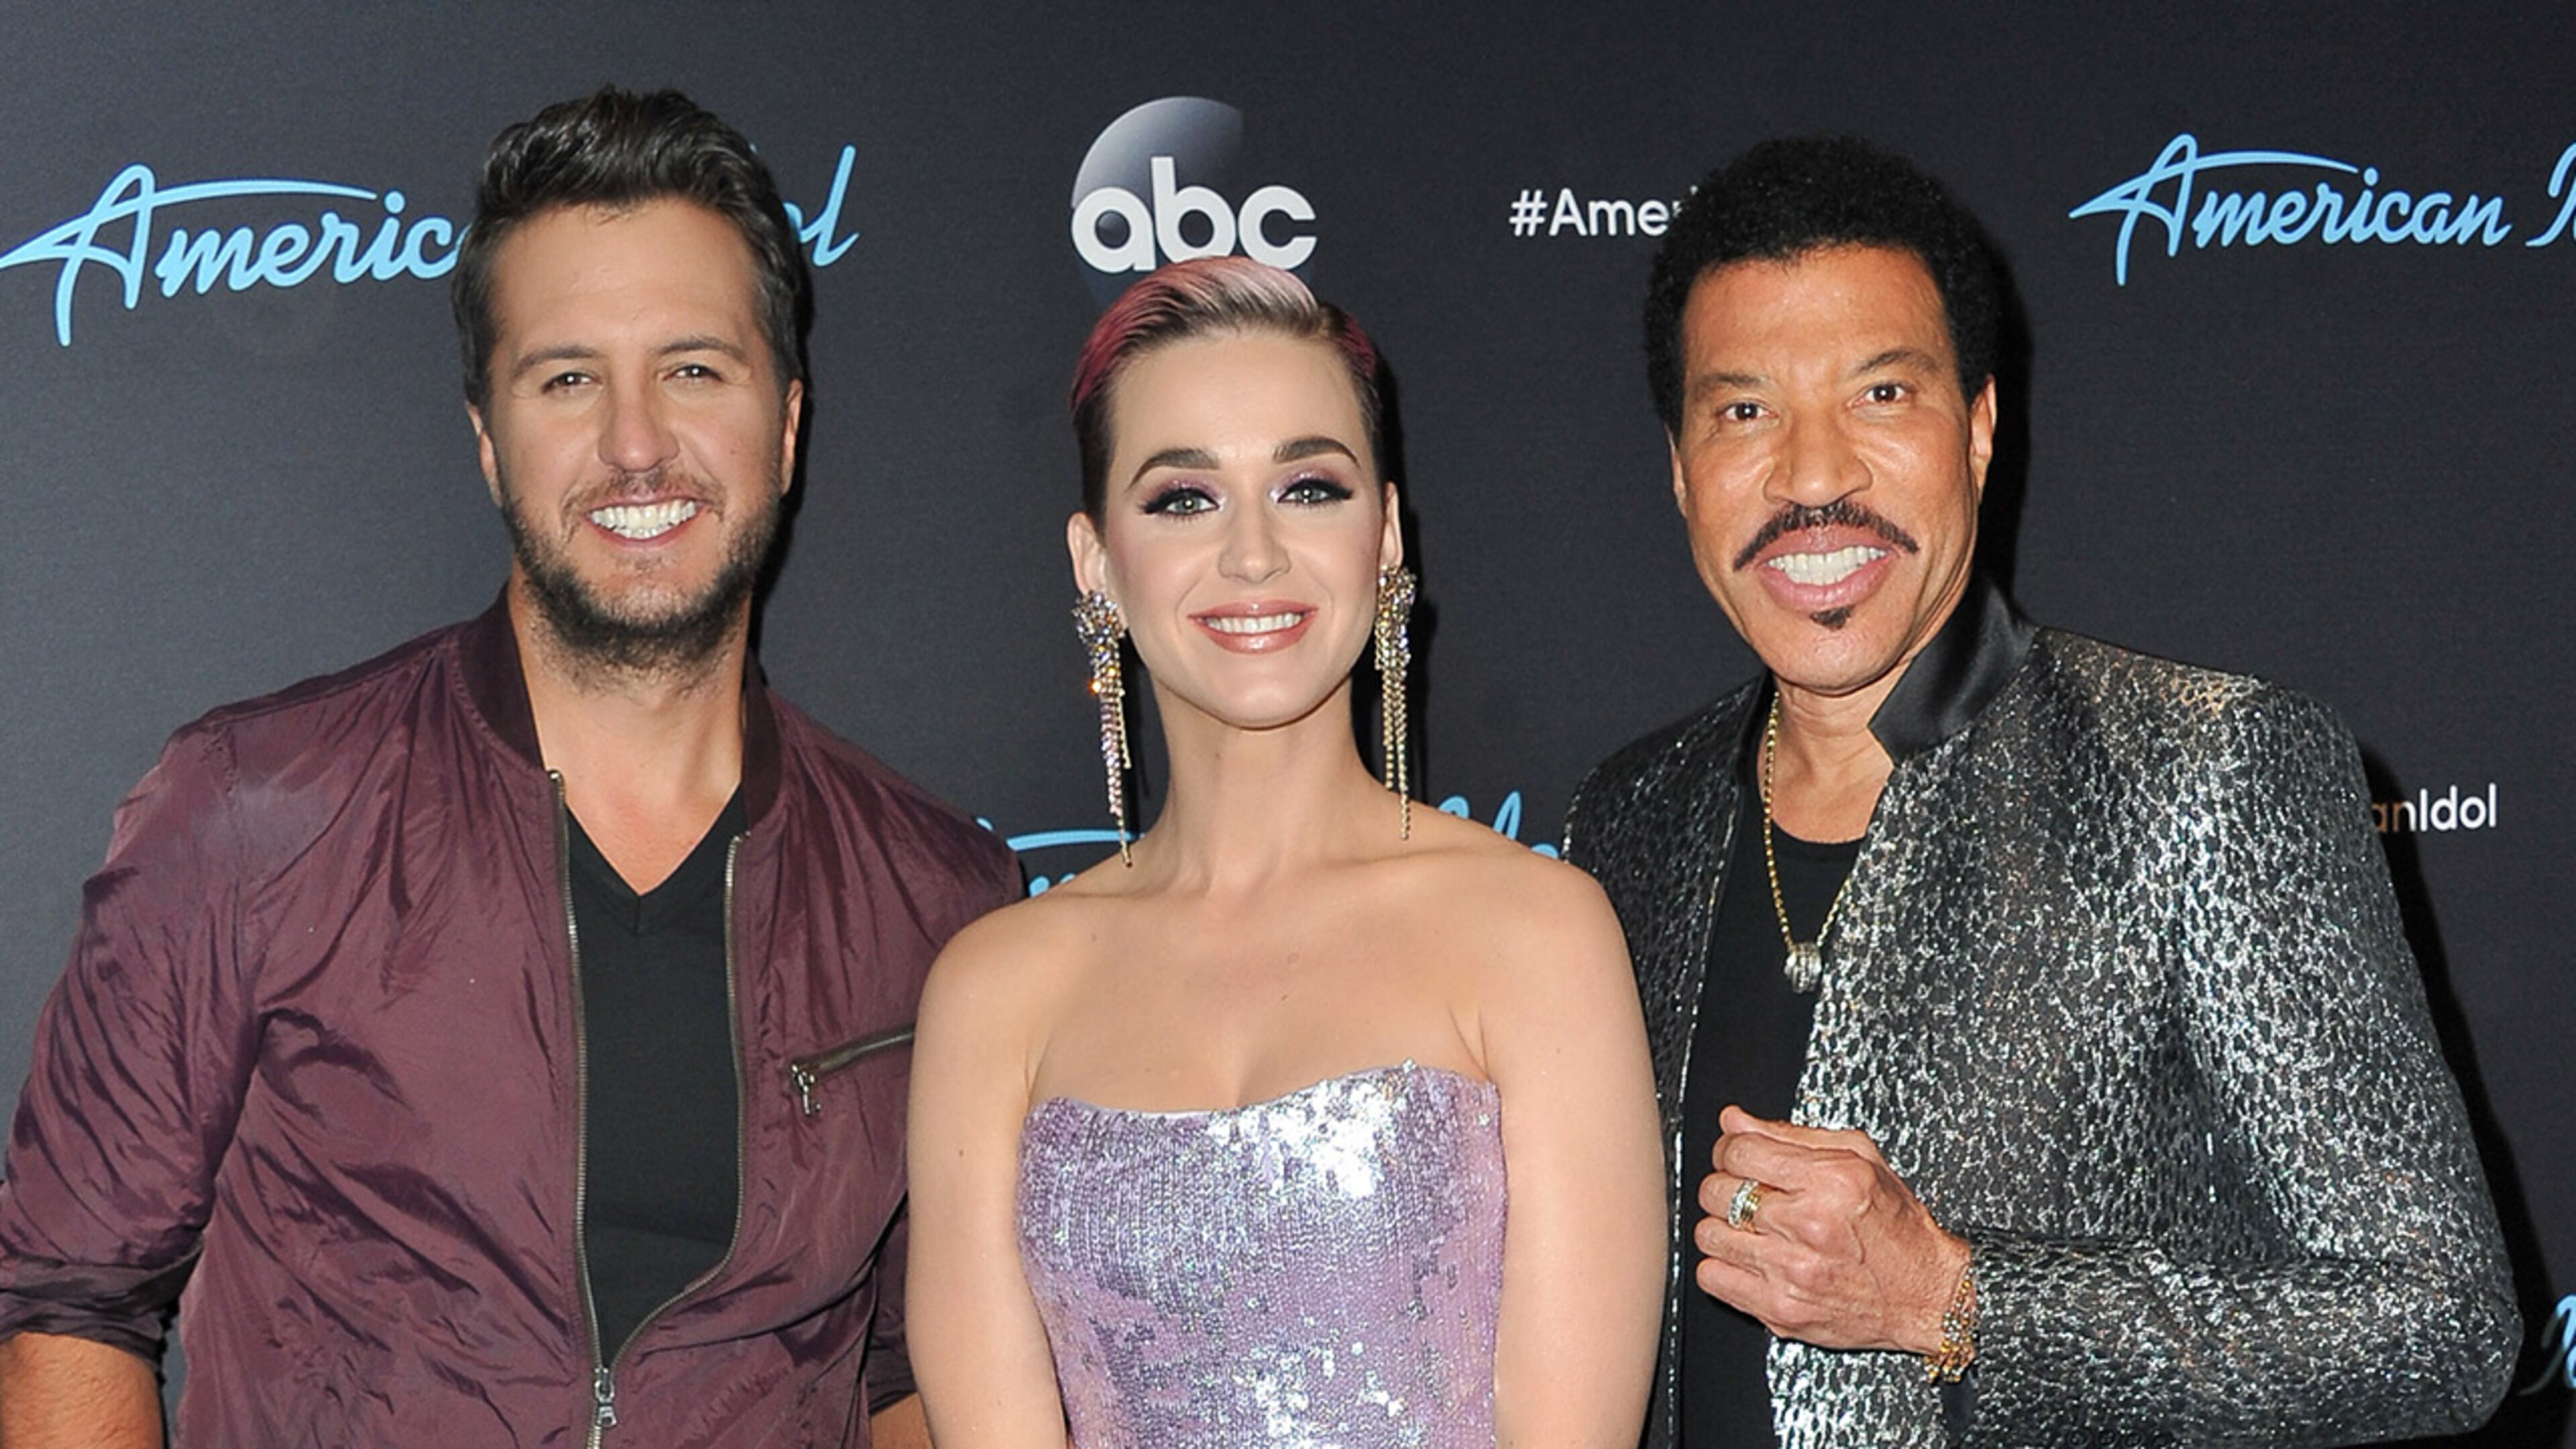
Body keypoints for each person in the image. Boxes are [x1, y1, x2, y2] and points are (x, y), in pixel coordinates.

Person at [0, 87, 1014, 1446]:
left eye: (694, 369)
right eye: (568, 378)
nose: (636, 442)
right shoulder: (253, 813)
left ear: (785, 426)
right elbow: (68, 1307)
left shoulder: (935, 898)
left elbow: (910, 1374)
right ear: (490, 441)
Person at [1563, 136, 2520, 1447]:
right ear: (1680, 469)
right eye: (1744, 412)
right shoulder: (1630, 816)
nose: (1813, 476)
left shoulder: (2204, 767)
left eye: (1879, 394)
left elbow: (2441, 1325)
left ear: (1976, 427)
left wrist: (1956, 1303)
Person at [904, 256, 1664, 1448]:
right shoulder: (994, 991)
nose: (1253, 553)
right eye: (1183, 499)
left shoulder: (1537, 933)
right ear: (1096, 563)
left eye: (1309, 487)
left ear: (1387, 536)